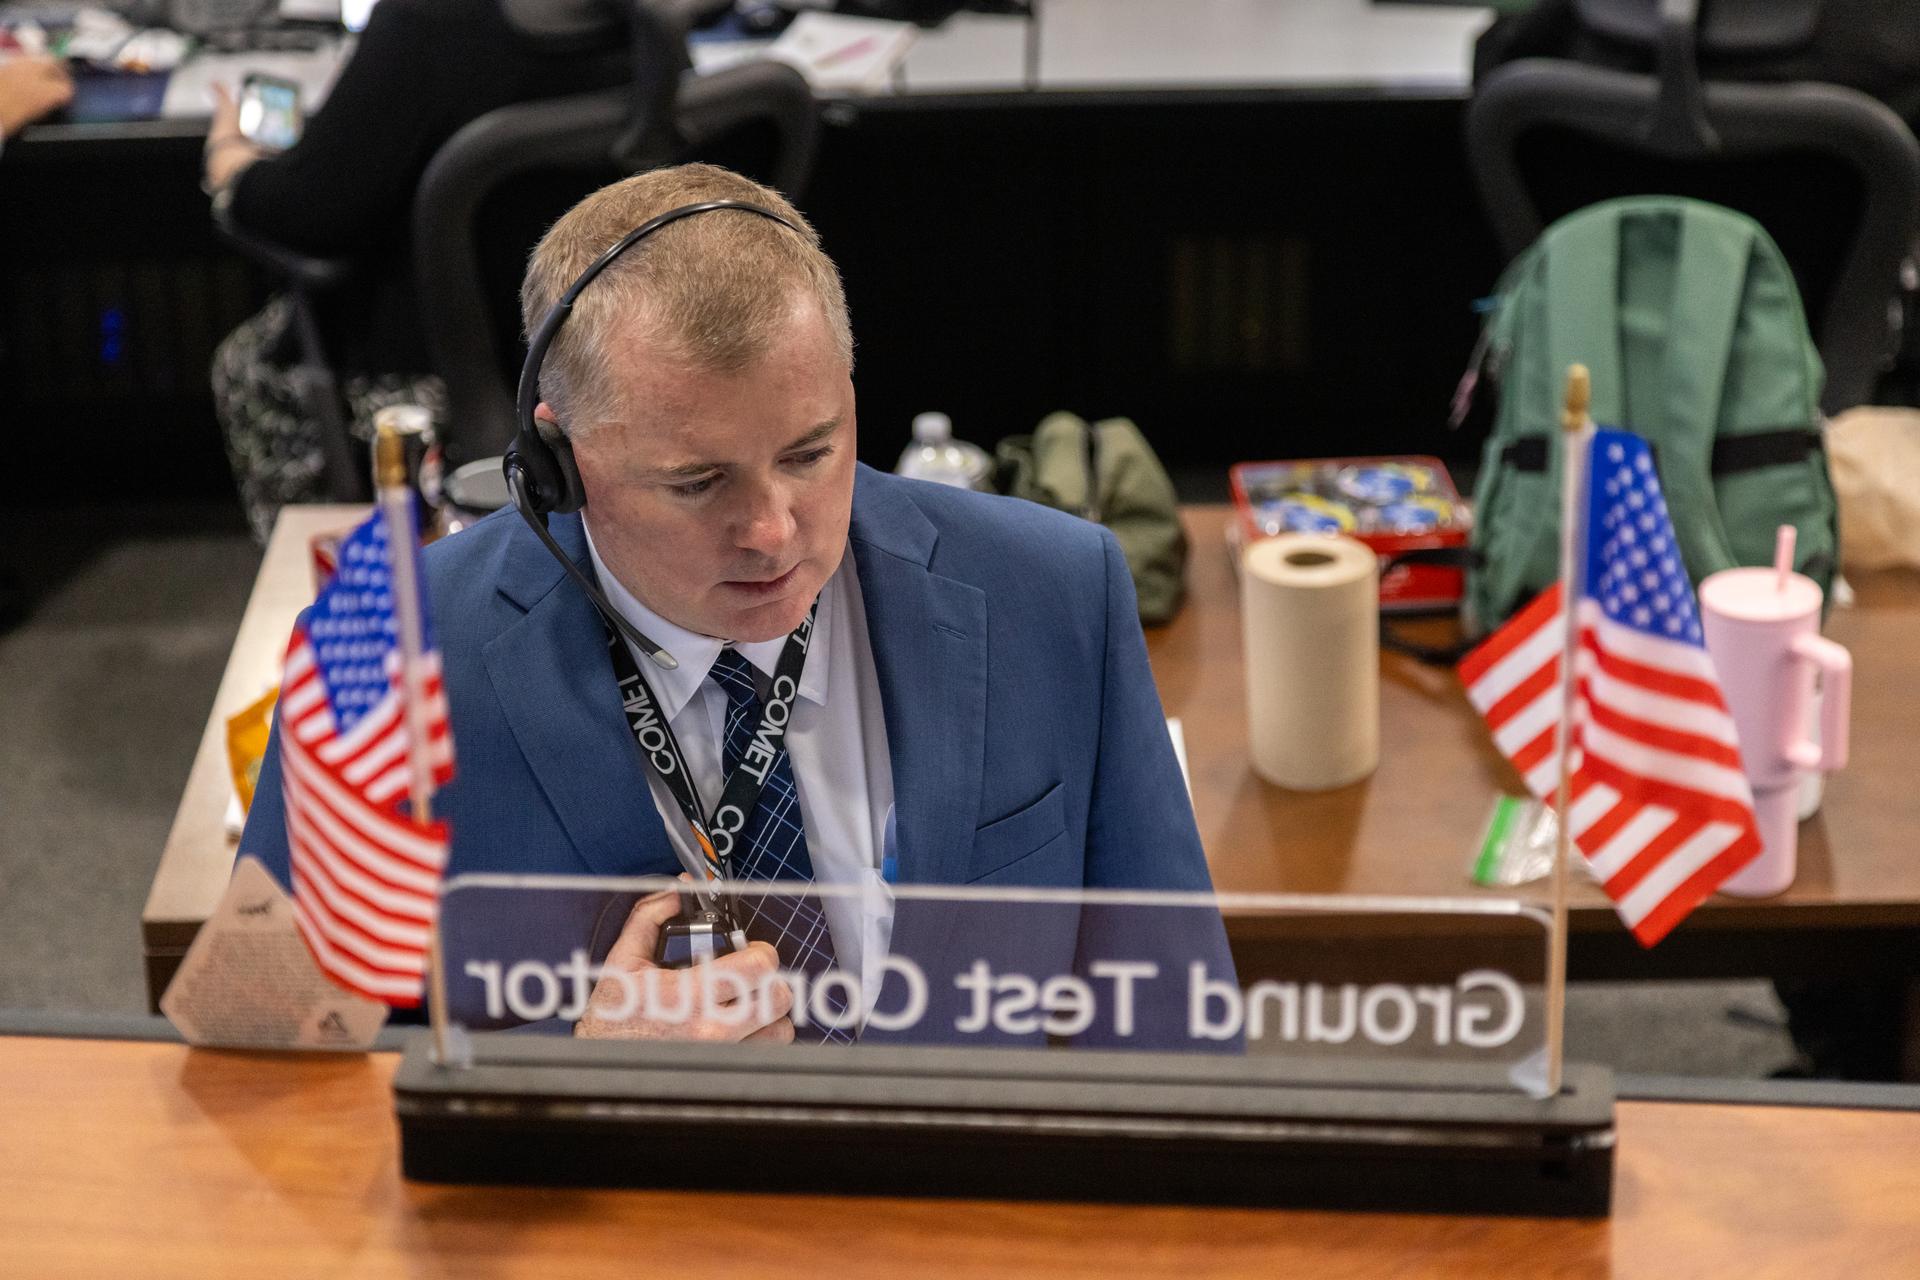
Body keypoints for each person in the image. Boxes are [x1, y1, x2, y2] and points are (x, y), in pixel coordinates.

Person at [241, 163, 1224, 1044]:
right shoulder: (370, 657)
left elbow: (1174, 1033)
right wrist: (562, 1090)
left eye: (809, 453)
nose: (774, 531)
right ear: (558, 455)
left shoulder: (1056, 591)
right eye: (698, 481)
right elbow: (269, 1084)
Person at [203, 0, 632, 539]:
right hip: (611, 349)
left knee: (248, 364)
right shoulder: (662, 16)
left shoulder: (426, 22)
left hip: (437, 373)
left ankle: (350, 596)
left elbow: (307, 215)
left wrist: (232, 165)